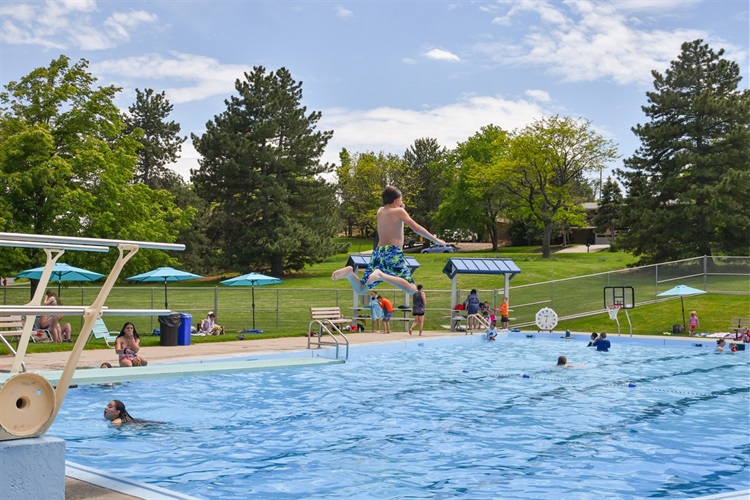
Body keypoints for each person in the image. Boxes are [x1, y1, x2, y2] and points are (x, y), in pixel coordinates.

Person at [332, 186, 445, 295]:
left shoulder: (380, 211)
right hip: (393, 252)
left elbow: (393, 216)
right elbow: (417, 228)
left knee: (361, 289)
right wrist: (436, 240)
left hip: (379, 252)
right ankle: (382, 275)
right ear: (397, 201)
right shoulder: (399, 212)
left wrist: (400, 205)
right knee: (411, 289)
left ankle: (349, 274)